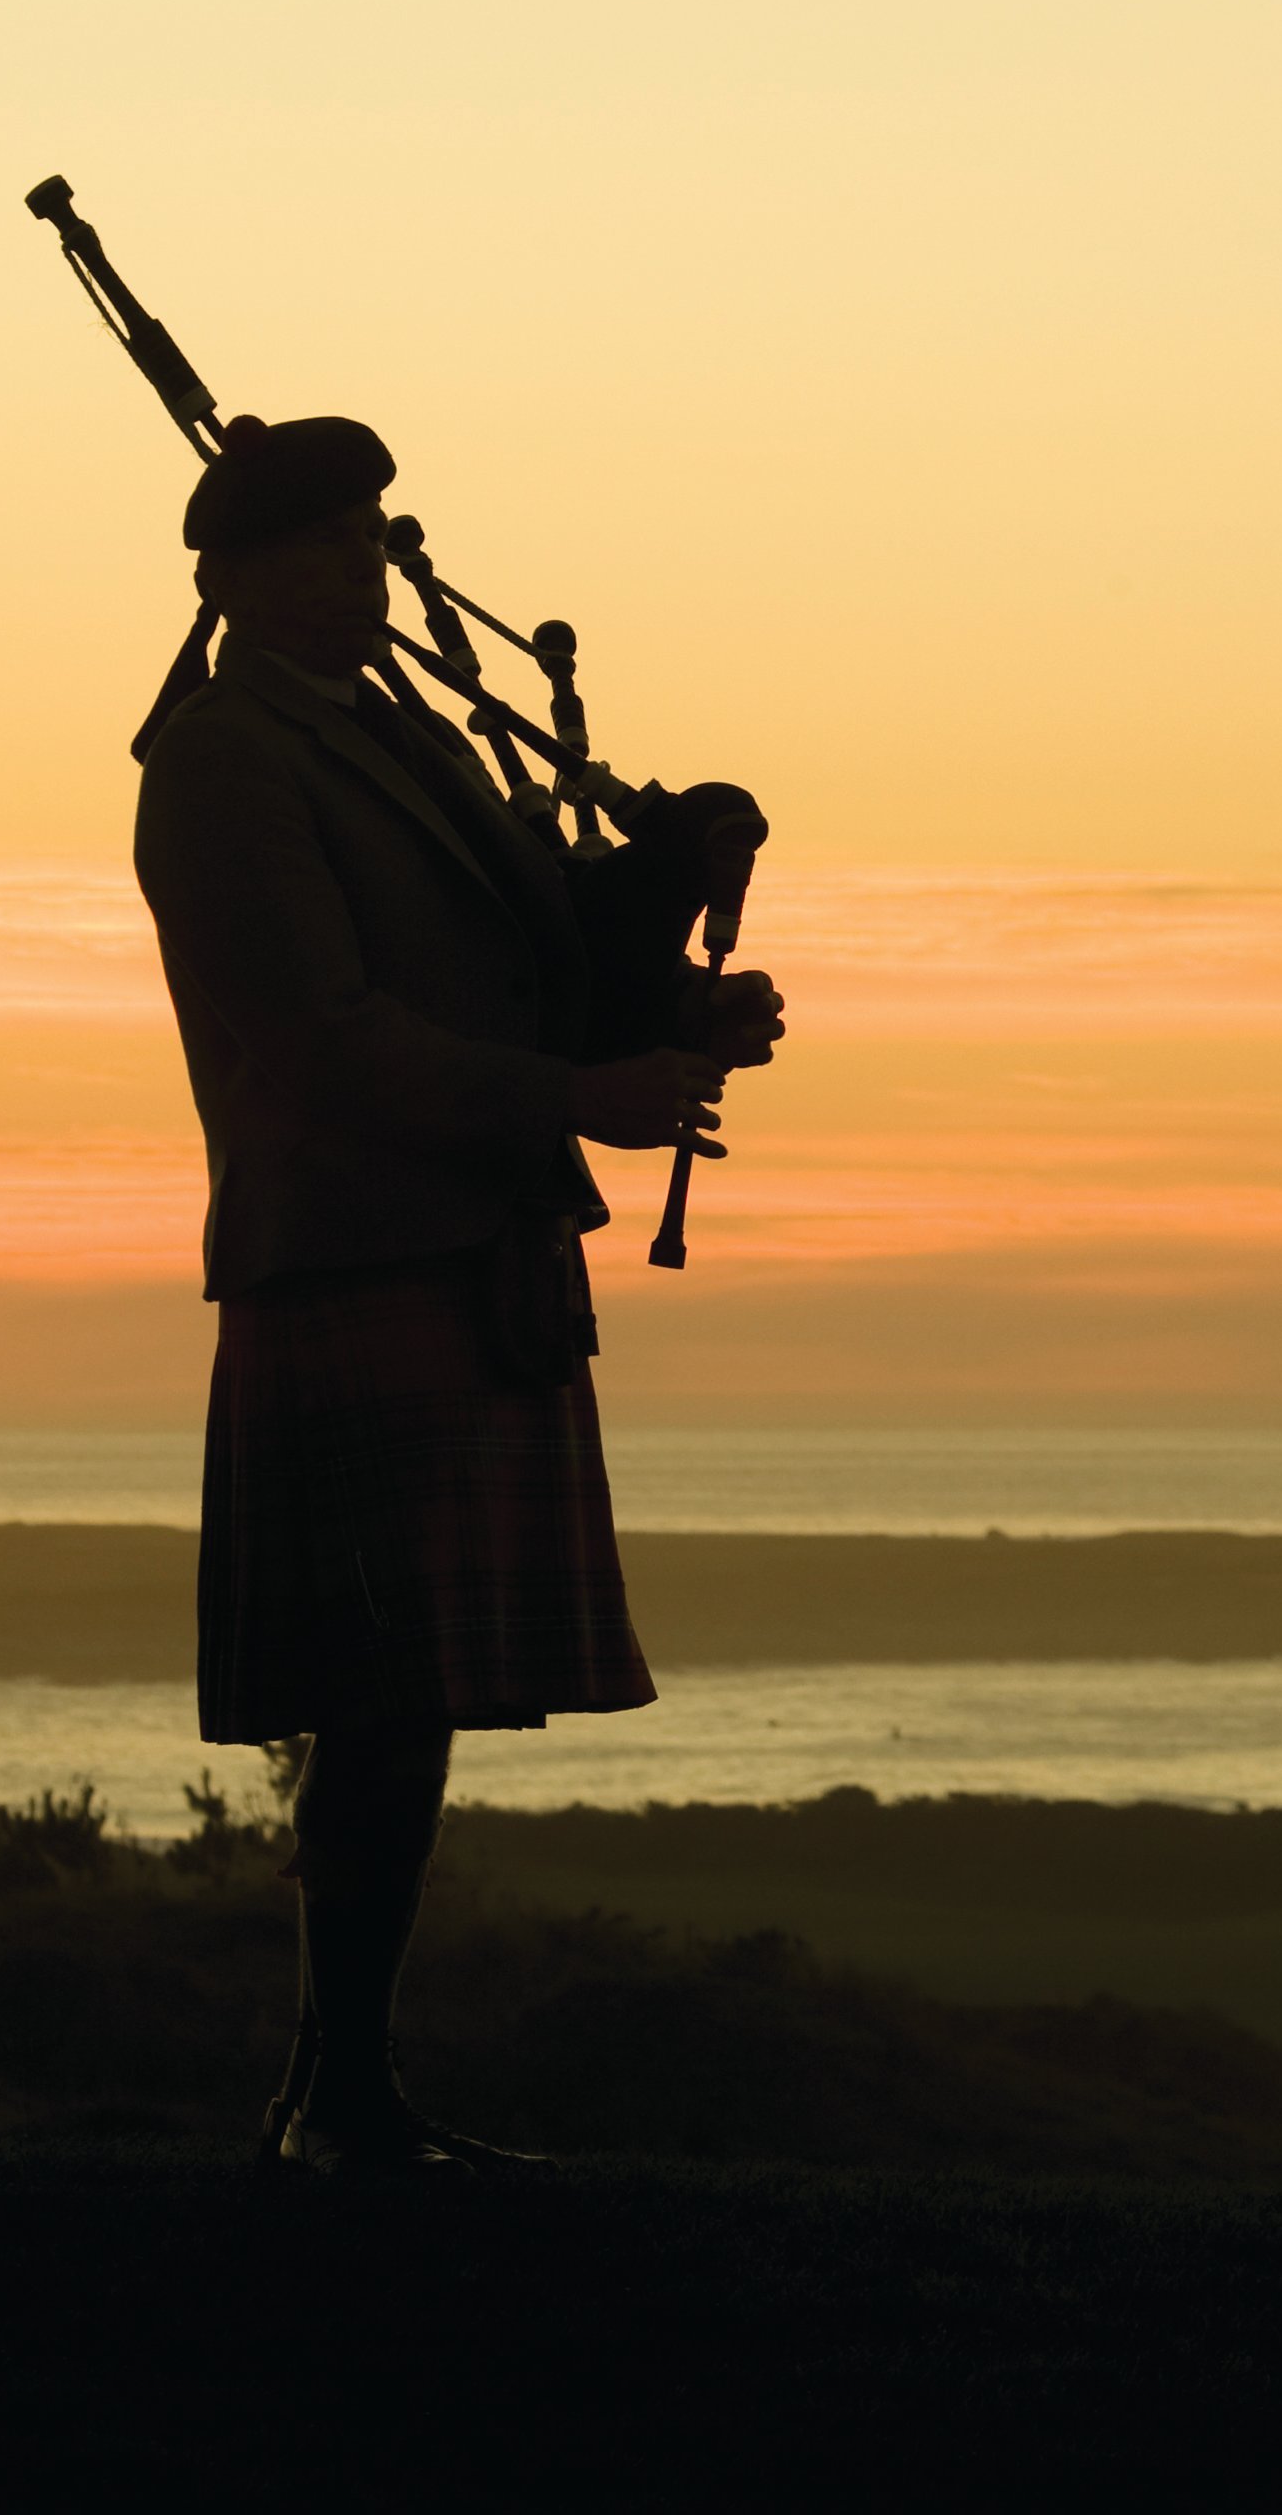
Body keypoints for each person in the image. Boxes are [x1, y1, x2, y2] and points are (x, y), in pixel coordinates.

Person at [132, 413, 782, 2176]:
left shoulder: (392, 736)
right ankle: (335, 2099)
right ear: (240, 579)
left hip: (457, 1245)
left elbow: (518, 959)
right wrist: (577, 1098)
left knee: (403, 1706)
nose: (370, 565)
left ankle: (345, 2093)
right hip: (352, 1247)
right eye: (333, 544)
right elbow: (316, 1035)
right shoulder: (219, 762)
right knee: (380, 1694)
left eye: (373, 534)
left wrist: (669, 1009)